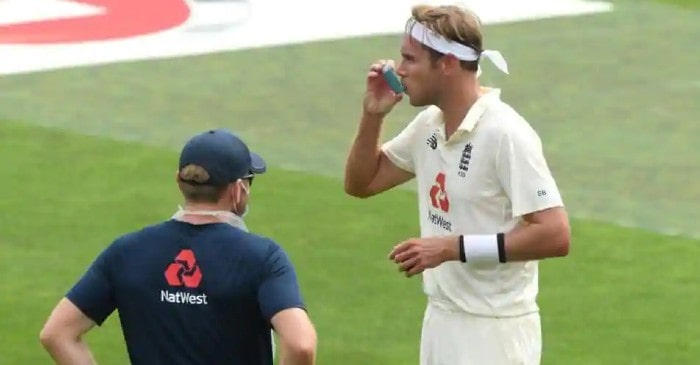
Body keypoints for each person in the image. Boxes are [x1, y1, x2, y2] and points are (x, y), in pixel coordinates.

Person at [344, 4, 571, 365]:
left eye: (410, 59)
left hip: (495, 333)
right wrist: (373, 115)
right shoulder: (429, 125)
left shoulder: (505, 133)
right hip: (441, 320)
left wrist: (453, 248)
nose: (400, 70)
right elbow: (362, 182)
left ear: (447, 63)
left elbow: (556, 235)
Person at [40, 128, 317, 365]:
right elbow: (300, 344)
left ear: (179, 180)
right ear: (237, 190)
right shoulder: (263, 257)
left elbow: (57, 333)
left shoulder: (127, 251)